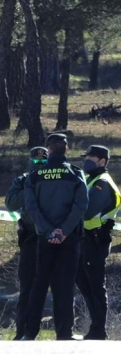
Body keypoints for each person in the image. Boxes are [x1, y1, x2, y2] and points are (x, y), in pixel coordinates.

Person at [22, 133, 88, 340]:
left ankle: (29, 332)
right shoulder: (76, 174)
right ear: (66, 149)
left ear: (48, 150)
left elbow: (31, 208)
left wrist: (49, 230)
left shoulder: (35, 176)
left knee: (39, 283)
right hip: (69, 238)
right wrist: (64, 230)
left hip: (44, 238)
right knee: (65, 285)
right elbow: (81, 206)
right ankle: (64, 333)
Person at [5, 146, 49, 340]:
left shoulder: (54, 179)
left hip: (51, 238)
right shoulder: (23, 180)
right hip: (30, 238)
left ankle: (64, 332)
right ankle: (22, 331)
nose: (39, 165)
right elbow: (10, 202)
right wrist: (31, 187)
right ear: (30, 162)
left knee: (59, 287)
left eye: (43, 162)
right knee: (27, 289)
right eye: (36, 162)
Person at [76, 145, 119, 340]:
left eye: (92, 158)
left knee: (95, 285)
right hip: (87, 239)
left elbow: (88, 209)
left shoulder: (102, 183)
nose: (87, 161)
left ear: (103, 161)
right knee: (84, 282)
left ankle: (99, 330)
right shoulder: (92, 180)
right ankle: (95, 326)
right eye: (87, 156)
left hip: (96, 239)